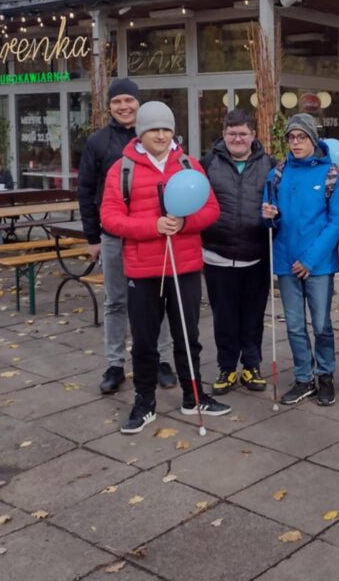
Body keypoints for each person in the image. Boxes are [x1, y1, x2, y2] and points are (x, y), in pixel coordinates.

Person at [100, 101, 229, 434]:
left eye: (165, 128)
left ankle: (193, 395)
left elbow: (211, 209)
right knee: (144, 340)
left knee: (188, 336)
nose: (160, 134)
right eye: (153, 129)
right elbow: (110, 217)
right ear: (141, 131)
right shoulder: (122, 169)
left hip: (183, 265)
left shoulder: (188, 164)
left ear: (173, 131)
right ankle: (145, 402)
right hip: (142, 270)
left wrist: (184, 222)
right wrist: (152, 227)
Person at [77, 78, 177, 395]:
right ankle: (115, 364)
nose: (124, 106)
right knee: (116, 302)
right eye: (117, 101)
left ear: (138, 103)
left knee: (157, 299)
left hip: (153, 236)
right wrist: (93, 237)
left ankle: (161, 360)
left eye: (129, 101)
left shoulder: (157, 137)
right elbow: (85, 192)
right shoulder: (98, 142)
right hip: (114, 237)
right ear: (109, 106)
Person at [261, 114, 339, 406]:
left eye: (302, 137)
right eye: (291, 138)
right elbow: (270, 220)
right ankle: (303, 378)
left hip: (318, 265)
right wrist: (269, 219)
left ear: (313, 140)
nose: (296, 143)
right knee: (295, 326)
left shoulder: (332, 174)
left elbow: (336, 223)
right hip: (286, 261)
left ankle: (325, 375)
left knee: (322, 324)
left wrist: (310, 260)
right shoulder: (277, 174)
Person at [200, 109, 274, 395]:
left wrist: (274, 215)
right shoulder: (207, 164)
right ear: (224, 135)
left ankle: (252, 366)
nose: (237, 138)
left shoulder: (269, 165)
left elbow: (280, 204)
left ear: (253, 135)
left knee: (253, 316)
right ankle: (227, 367)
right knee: (224, 316)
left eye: (243, 133)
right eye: (232, 133)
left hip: (256, 253)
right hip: (217, 254)